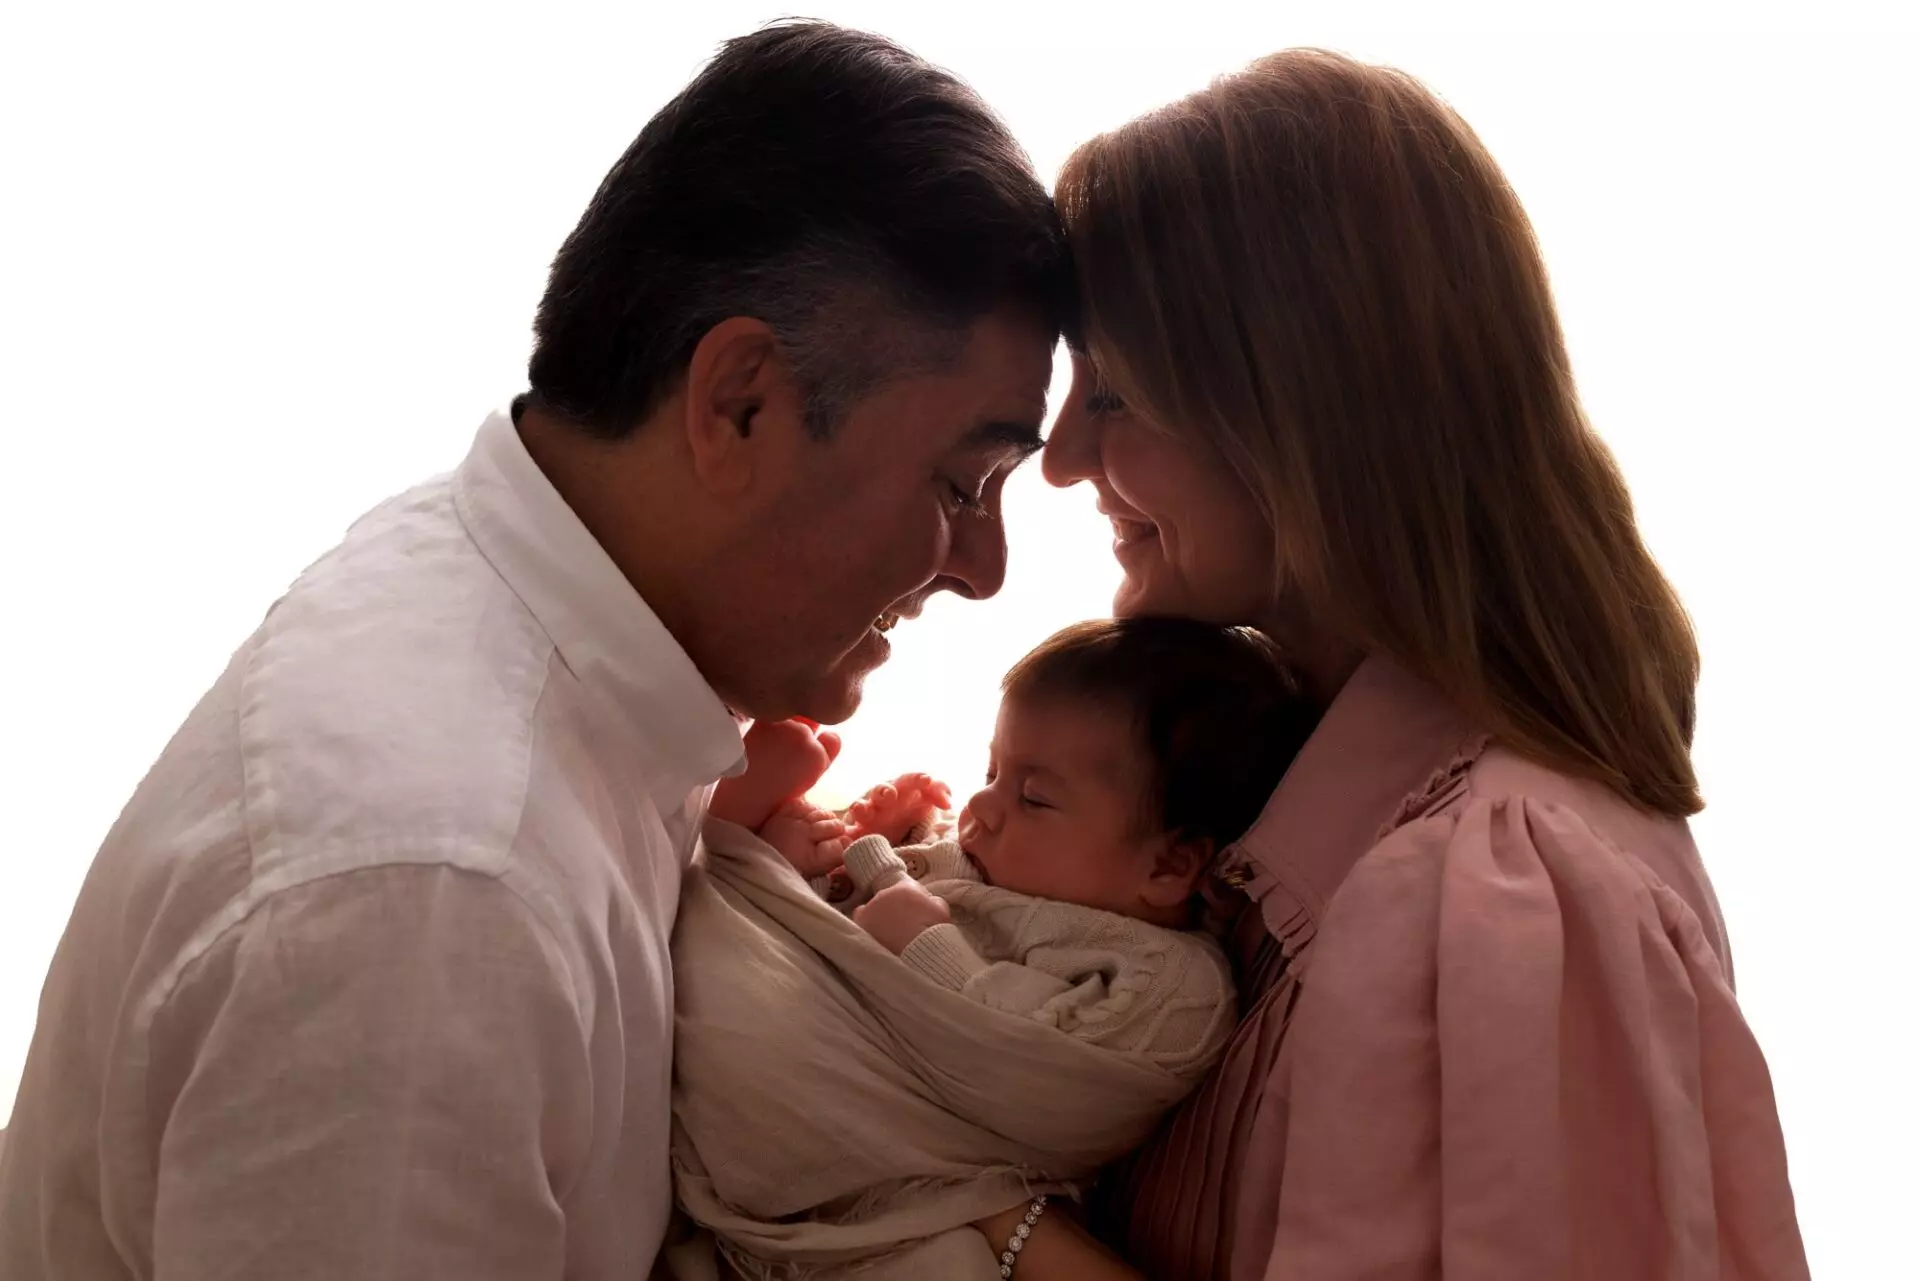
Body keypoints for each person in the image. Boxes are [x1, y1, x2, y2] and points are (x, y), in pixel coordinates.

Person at [0, 21, 1068, 1280]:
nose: (986, 570)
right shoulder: (434, 898)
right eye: (961, 483)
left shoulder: (544, 611)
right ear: (740, 403)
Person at [971, 49, 1811, 1281]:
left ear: (1302, 412)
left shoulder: (1507, 884)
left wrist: (976, 1221)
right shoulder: (1298, 837)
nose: (1058, 459)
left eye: (1115, 394)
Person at [670, 617, 1316, 1280]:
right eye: (992, 769)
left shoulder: (1169, 980)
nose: (982, 801)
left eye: (1033, 796)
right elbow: (872, 912)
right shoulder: (991, 864)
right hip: (824, 1019)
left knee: (945, 1262)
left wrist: (927, 945)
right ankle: (750, 849)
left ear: (1170, 864)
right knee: (746, 917)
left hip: (894, 1150)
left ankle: (736, 844)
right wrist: (862, 845)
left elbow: (1042, 1066)